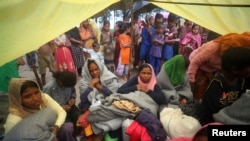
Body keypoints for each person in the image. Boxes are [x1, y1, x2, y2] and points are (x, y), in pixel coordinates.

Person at [188, 32, 250, 100]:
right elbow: (195, 61)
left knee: (207, 89)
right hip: (198, 66)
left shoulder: (232, 55)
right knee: (198, 89)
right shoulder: (213, 48)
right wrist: (191, 79)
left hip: (211, 68)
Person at [197, 47, 250, 125]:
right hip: (211, 121)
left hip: (228, 116)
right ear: (235, 69)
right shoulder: (217, 83)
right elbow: (216, 110)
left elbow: (241, 102)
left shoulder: (241, 80)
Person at [43, 71, 81, 140]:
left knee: (81, 118)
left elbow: (73, 91)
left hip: (69, 107)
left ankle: (76, 134)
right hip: (57, 113)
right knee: (67, 128)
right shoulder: (49, 88)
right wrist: (60, 108)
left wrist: (72, 98)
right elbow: (45, 107)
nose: (66, 88)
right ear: (60, 81)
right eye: (65, 86)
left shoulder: (68, 83)